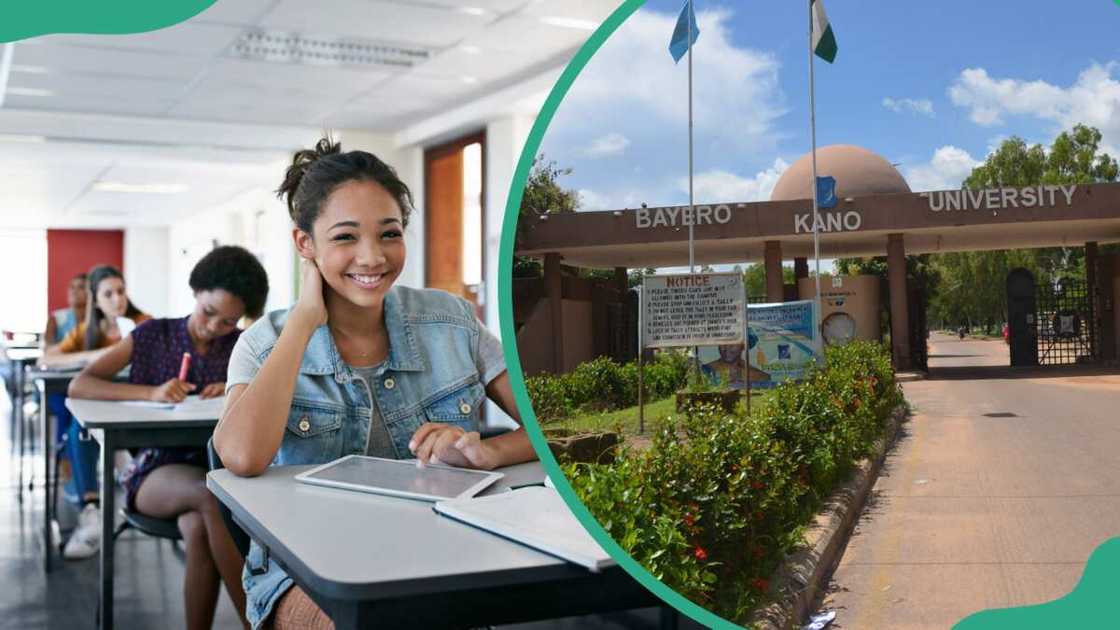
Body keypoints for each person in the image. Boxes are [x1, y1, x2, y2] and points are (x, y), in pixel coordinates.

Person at [213, 137, 536, 630]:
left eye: (389, 234)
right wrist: (303, 321)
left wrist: (486, 453)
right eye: (345, 237)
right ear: (306, 244)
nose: (372, 257)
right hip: (309, 571)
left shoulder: (451, 321)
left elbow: (556, 427)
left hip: (442, 555)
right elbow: (239, 456)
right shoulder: (266, 341)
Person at [69, 245, 268, 630]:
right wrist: (151, 392)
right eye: (209, 313)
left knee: (198, 527)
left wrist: (234, 385)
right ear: (195, 292)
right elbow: (81, 384)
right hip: (155, 470)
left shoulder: (243, 346)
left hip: (214, 467)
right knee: (213, 495)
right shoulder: (152, 334)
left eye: (227, 322)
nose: (214, 327)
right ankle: (256, 623)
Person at [38, 265, 151, 559]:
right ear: (96, 300)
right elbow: (48, 358)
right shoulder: (87, 332)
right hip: (99, 413)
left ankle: (131, 482)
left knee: (92, 430)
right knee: (81, 427)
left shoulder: (144, 324)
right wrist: (96, 355)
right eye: (108, 294)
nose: (117, 299)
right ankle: (93, 509)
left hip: (140, 410)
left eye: (121, 292)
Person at [43, 272, 88, 350]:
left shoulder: (100, 319)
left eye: (81, 287)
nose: (74, 291)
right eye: (72, 287)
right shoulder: (55, 319)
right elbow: (47, 350)